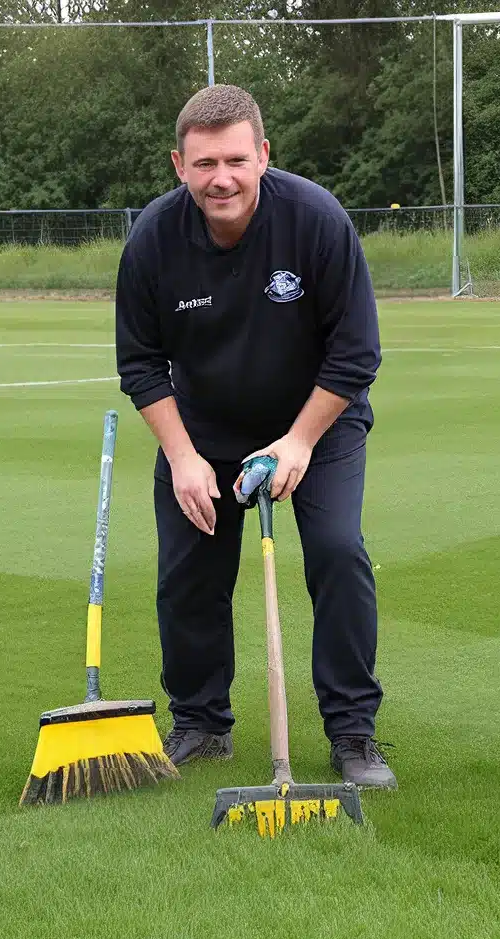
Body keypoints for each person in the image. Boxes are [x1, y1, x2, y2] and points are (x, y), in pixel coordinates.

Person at [114, 84, 396, 790]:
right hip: (202, 430)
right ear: (179, 164)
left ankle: (352, 733)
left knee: (336, 553)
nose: (222, 179)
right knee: (187, 576)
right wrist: (181, 457)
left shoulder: (316, 221)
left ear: (264, 155)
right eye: (205, 164)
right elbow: (141, 363)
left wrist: (296, 442)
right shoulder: (153, 238)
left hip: (317, 425)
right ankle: (201, 724)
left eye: (236, 159)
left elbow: (356, 354)